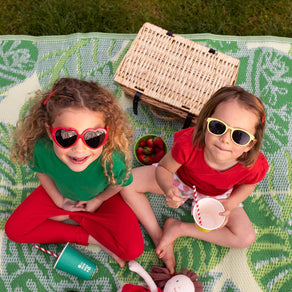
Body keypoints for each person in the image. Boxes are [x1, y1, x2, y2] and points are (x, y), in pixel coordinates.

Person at [120, 86, 268, 273]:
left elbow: (249, 184)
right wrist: (167, 188)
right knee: (127, 182)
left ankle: (179, 228)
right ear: (206, 123)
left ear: (250, 145)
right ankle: (158, 237)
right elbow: (165, 168)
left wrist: (230, 204)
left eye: (239, 136)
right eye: (218, 127)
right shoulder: (189, 143)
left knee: (245, 237)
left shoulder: (252, 165)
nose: (225, 139)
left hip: (220, 196)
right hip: (180, 180)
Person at [5, 77, 144, 267]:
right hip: (60, 194)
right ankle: (88, 233)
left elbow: (119, 182)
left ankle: (78, 216)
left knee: (133, 250)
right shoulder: (41, 149)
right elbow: (42, 172)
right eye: (66, 136)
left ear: (107, 132)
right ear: (49, 130)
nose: (79, 149)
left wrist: (98, 200)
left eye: (93, 137)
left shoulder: (112, 157)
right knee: (14, 230)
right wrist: (58, 200)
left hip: (103, 200)